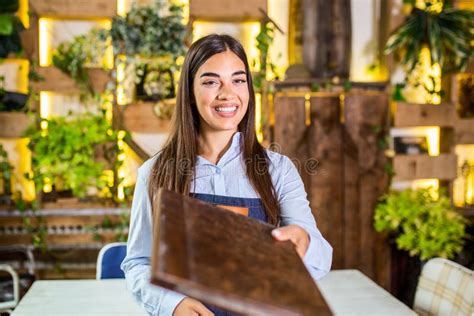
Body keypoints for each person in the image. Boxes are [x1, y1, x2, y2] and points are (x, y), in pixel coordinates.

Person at [121, 34, 332, 316]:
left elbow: (322, 260)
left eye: (238, 80)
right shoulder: (156, 172)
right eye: (211, 81)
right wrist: (172, 305)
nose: (227, 93)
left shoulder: (278, 170)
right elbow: (138, 262)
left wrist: (303, 242)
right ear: (190, 93)